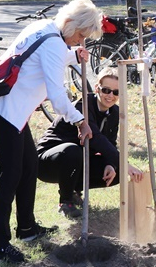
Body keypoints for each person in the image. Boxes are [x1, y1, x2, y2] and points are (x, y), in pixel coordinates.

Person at [0, 0, 100, 264]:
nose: (80, 41)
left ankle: (27, 229)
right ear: (69, 23)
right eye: (81, 35)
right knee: (10, 174)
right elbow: (58, 97)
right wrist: (80, 120)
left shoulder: (46, 28)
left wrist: (73, 54)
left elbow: (43, 56)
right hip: (6, 109)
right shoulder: (55, 42)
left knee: (29, 166)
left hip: (14, 109)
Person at [37, 66, 143, 218]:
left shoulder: (114, 113)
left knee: (117, 171)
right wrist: (125, 164)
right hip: (49, 162)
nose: (110, 96)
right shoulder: (83, 107)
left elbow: (109, 143)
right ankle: (65, 202)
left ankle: (74, 190)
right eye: (106, 90)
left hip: (79, 161)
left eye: (116, 92)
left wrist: (111, 164)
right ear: (97, 88)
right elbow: (95, 138)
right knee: (72, 151)